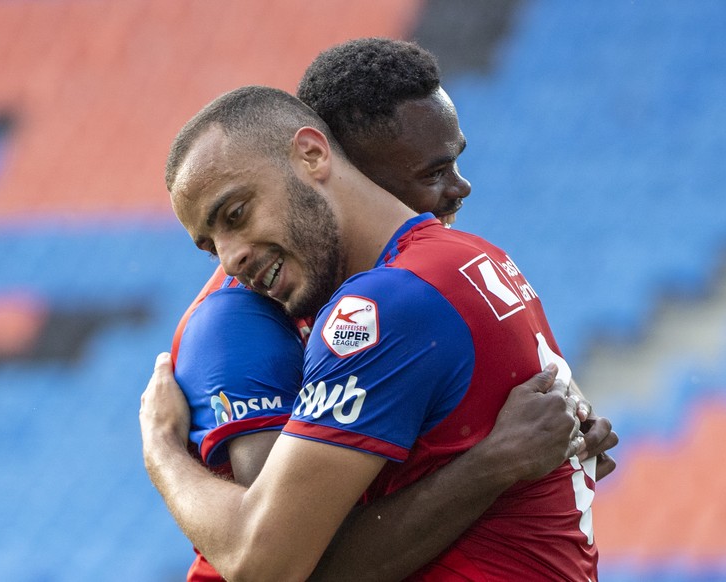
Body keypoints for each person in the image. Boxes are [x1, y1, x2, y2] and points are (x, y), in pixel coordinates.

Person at [163, 38, 616, 581]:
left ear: (314, 155)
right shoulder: (473, 259)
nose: (231, 257)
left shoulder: (383, 301)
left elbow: (270, 564)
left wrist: (161, 451)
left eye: (237, 214)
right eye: (211, 244)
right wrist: (494, 465)